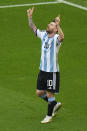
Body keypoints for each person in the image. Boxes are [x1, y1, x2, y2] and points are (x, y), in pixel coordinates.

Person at [27, 7, 64, 124]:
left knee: (49, 93)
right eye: (49, 24)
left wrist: (58, 25)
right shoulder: (43, 35)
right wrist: (29, 17)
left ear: (55, 29)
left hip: (52, 72)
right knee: (39, 93)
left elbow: (62, 37)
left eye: (51, 25)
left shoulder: (56, 40)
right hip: (42, 70)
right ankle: (54, 104)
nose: (49, 25)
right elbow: (33, 29)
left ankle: (49, 115)